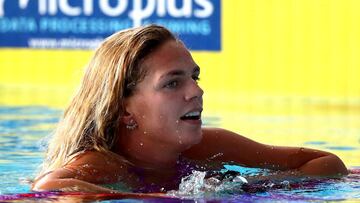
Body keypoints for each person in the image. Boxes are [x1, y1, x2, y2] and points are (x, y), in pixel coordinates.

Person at [31, 24, 348, 193]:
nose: (196, 91)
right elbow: (48, 188)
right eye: (172, 83)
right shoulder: (106, 165)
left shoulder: (208, 148)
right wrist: (166, 198)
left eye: (194, 77)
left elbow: (328, 164)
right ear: (124, 110)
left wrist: (246, 186)